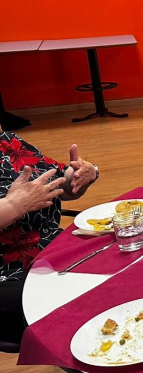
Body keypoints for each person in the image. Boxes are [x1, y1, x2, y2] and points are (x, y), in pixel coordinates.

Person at [0, 129, 98, 344]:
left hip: (51, 248)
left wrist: (82, 175)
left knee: (122, 259)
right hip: (8, 274)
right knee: (83, 303)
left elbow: (58, 184)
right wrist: (12, 207)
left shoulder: (7, 142)